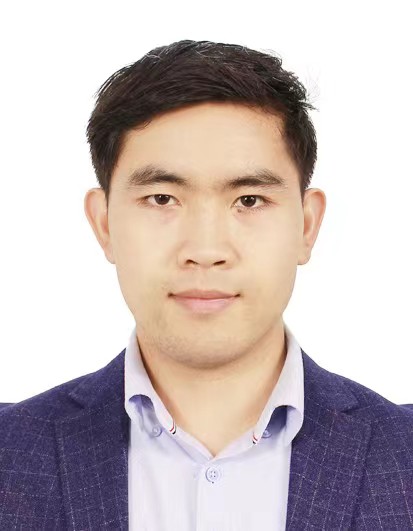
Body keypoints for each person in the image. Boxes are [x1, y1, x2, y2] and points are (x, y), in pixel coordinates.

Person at [1, 39, 412, 530]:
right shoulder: (11, 452)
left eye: (249, 200)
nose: (205, 249)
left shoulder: (402, 453)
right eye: (161, 198)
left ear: (307, 226)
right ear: (104, 223)